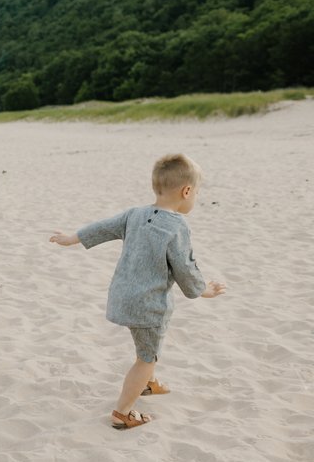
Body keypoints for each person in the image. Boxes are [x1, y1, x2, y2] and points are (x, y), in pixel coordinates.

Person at [49, 154, 226, 429]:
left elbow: (103, 227)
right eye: (197, 193)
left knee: (146, 347)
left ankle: (149, 383)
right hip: (149, 305)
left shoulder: (135, 214)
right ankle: (123, 411)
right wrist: (204, 291)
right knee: (146, 357)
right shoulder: (177, 226)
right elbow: (185, 268)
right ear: (187, 191)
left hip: (123, 297)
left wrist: (72, 238)